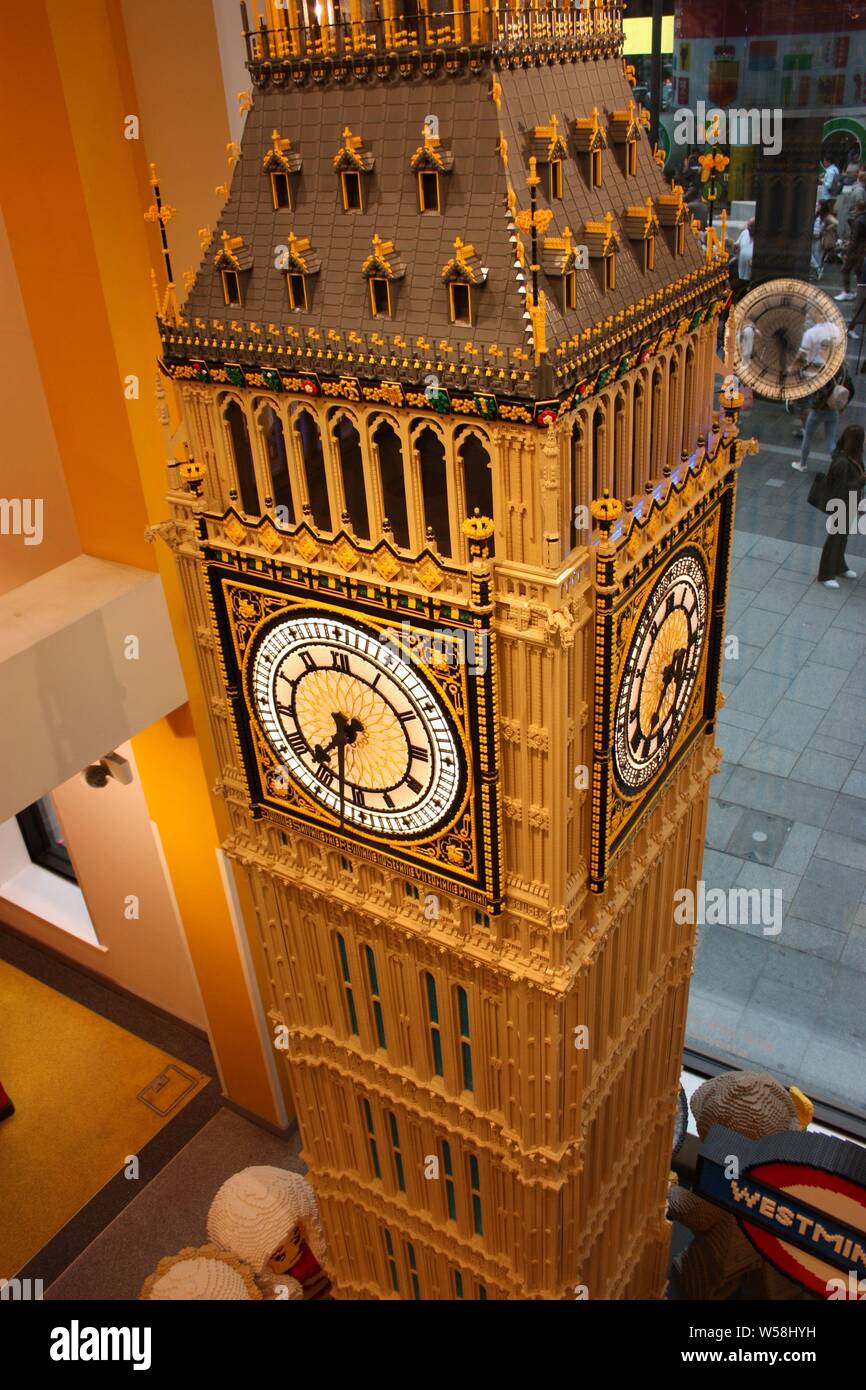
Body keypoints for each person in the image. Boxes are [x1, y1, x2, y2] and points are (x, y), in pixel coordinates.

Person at [817, 425, 866, 587]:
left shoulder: (856, 457)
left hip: (850, 503)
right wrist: (861, 480)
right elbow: (841, 488)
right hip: (841, 504)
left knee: (842, 537)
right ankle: (825, 574)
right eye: (863, 437)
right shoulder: (842, 462)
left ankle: (839, 566)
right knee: (835, 538)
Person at [791, 358, 853, 473]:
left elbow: (814, 390)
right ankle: (838, 465)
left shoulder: (825, 374)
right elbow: (851, 391)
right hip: (833, 411)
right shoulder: (844, 373)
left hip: (818, 411)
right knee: (830, 440)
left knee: (808, 436)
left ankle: (802, 464)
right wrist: (842, 406)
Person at [836, 201, 866, 301]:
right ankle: (859, 292)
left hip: (856, 251)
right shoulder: (863, 219)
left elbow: (855, 238)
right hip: (861, 250)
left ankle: (847, 292)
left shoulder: (859, 221)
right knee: (859, 272)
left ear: (857, 208)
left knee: (846, 270)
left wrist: (847, 250)